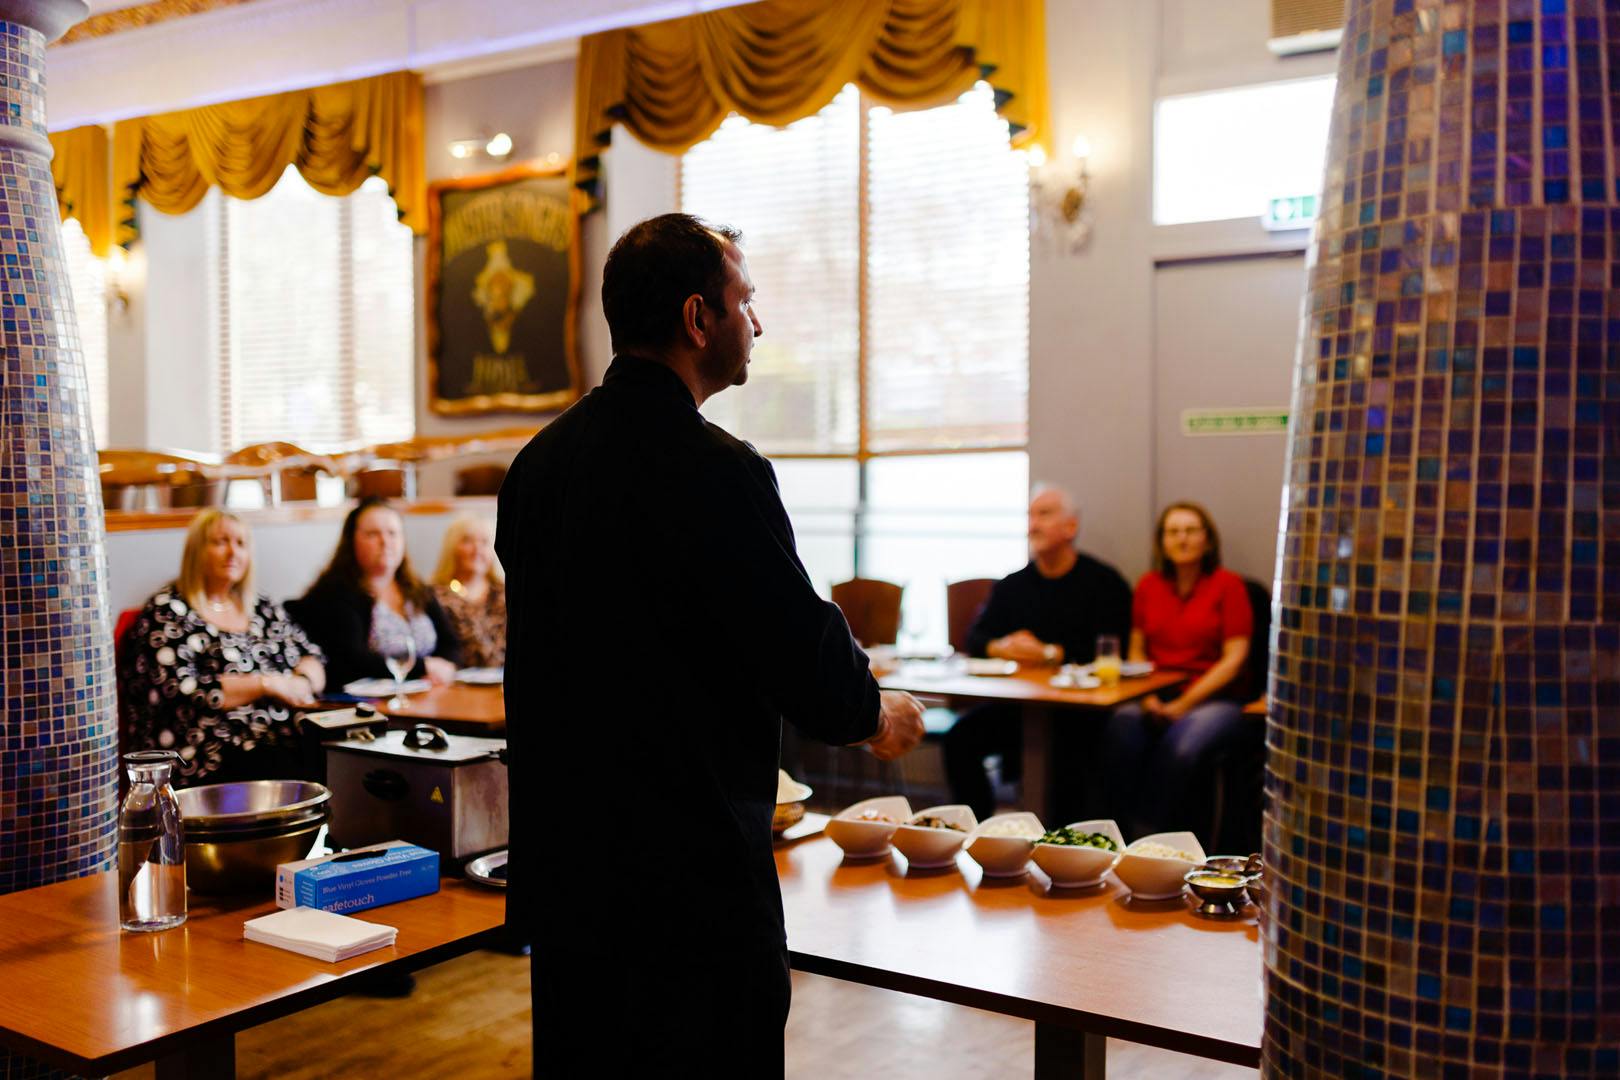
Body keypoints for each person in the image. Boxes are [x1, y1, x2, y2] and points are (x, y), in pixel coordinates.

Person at [496, 213, 924, 1075]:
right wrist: (876, 714)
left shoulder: (537, 466)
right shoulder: (718, 469)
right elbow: (795, 642)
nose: (757, 321)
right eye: (746, 300)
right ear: (699, 318)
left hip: (570, 874)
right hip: (687, 882)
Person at [943, 486, 1132, 821]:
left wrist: (1048, 653)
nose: (1033, 525)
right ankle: (980, 834)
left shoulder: (1104, 582)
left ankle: (1062, 844)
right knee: (960, 739)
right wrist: (1003, 646)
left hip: (1079, 712)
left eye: (1044, 514)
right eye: (1030, 515)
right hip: (1018, 708)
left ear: (1071, 527)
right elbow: (975, 638)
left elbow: (1112, 648)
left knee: (1071, 761)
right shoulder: (1013, 585)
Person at [121, 509, 326, 786]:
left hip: (281, 739)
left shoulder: (260, 606)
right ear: (196, 551)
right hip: (208, 752)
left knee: (343, 758)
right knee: (294, 769)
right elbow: (182, 690)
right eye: (220, 542)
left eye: (241, 543)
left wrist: (302, 683)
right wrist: (268, 684)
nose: (232, 552)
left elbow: (312, 657)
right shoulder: (168, 611)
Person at [1100, 501, 1254, 844]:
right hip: (1155, 692)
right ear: (1162, 542)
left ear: (1207, 540)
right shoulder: (1148, 585)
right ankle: (1114, 836)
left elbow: (1235, 659)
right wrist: (1148, 698)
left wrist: (1183, 705)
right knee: (1121, 727)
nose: (1181, 539)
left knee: (1182, 744)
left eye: (1190, 531)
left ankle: (1152, 841)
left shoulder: (1229, 585)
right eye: (1173, 532)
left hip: (1216, 698)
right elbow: (1136, 650)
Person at [289, 497, 460, 691]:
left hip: (429, 693)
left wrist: (446, 667)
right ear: (351, 541)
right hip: (365, 702)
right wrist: (423, 667)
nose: (385, 542)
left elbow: (451, 644)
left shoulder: (417, 588)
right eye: (372, 534)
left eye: (392, 533)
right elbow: (352, 661)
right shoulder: (334, 593)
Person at [431, 514, 506, 669]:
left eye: (484, 542)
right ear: (452, 548)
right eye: (467, 541)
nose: (477, 549)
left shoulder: (504, 593)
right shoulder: (435, 596)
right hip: (458, 680)